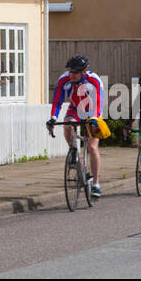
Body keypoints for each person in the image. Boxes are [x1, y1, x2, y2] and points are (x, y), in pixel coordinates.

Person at [47, 55, 105, 197]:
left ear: (84, 72)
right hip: (75, 109)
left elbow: (99, 102)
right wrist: (53, 118)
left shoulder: (94, 80)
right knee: (68, 124)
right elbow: (57, 101)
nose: (71, 75)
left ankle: (96, 183)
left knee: (92, 147)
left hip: (93, 110)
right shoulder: (64, 80)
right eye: (70, 71)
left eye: (75, 72)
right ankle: (73, 150)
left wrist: (94, 119)